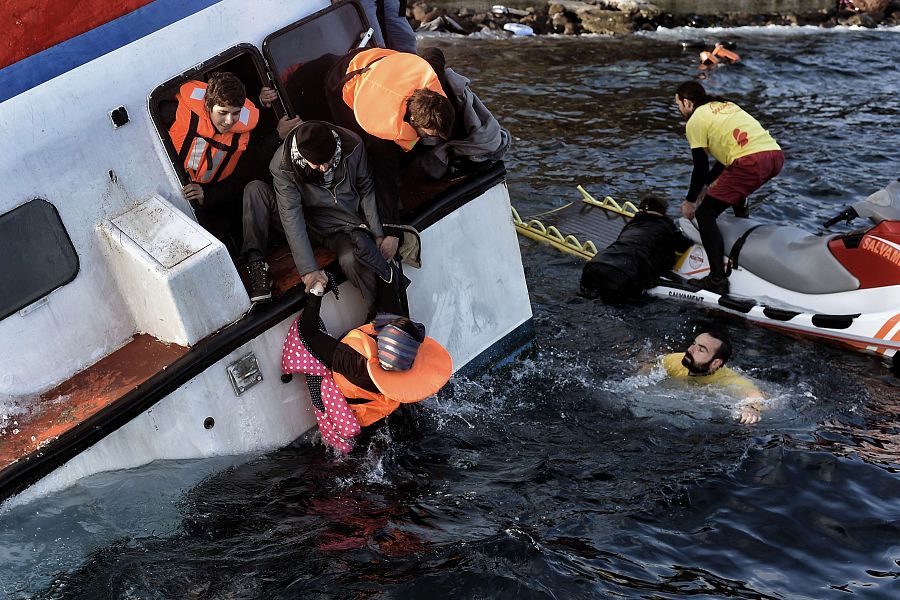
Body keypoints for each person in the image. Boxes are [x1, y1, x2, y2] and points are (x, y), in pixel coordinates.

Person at [165, 72, 299, 301]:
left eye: (236, 114)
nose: (229, 121)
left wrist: (207, 195)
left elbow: (242, 180)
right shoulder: (173, 114)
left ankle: (254, 277)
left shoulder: (241, 134)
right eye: (223, 113)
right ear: (208, 106)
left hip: (219, 196)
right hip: (178, 196)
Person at [280, 276, 453, 452]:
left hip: (370, 428)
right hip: (396, 414)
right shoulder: (404, 359)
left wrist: (317, 291)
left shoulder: (355, 362)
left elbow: (309, 333)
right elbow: (388, 293)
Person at [324, 47, 455, 256]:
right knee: (364, 154)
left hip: (381, 64)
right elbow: (385, 179)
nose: (435, 138)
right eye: (430, 134)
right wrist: (392, 231)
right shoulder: (381, 130)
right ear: (413, 122)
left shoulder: (432, 81)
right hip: (344, 77)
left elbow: (434, 52)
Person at [270, 120, 398, 315]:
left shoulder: (353, 144)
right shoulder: (281, 167)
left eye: (329, 160)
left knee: (354, 259)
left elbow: (366, 187)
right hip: (315, 226)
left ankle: (386, 315)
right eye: (317, 164)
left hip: (350, 223)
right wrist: (308, 269)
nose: (325, 168)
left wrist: (379, 233)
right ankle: (385, 317)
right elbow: (291, 216)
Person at [674, 80, 784, 295]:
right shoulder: (726, 105)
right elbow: (726, 157)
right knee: (731, 189)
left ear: (687, 103)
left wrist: (690, 201)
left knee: (705, 213)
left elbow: (700, 166)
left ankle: (716, 278)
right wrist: (707, 185)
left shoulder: (695, 120)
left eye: (678, 104)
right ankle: (740, 214)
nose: (679, 109)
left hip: (750, 161)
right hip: (774, 156)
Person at [580, 195, 694, 302]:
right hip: (624, 275)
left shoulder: (631, 225)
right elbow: (686, 246)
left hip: (595, 265)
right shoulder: (667, 227)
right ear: (663, 212)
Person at [658, 330, 764, 425]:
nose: (690, 349)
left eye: (701, 350)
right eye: (694, 344)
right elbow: (649, 367)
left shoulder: (727, 380)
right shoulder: (675, 360)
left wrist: (751, 408)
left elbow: (756, 396)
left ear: (715, 363)